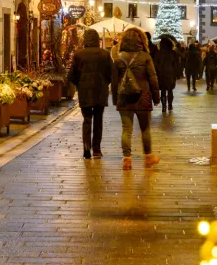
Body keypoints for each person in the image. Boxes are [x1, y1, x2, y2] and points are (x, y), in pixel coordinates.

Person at [111, 28, 161, 170]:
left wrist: (115, 99)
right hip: (143, 97)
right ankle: (149, 157)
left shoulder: (118, 58)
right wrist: (156, 98)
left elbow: (114, 82)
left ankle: (127, 159)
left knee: (126, 129)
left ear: (124, 40)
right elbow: (153, 79)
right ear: (141, 40)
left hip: (124, 98)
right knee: (145, 129)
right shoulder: (145, 57)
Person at [67, 29, 111, 159]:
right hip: (100, 91)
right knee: (98, 119)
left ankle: (86, 148)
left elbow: (72, 75)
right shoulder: (105, 54)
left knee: (87, 119)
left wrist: (79, 84)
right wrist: (105, 83)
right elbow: (111, 73)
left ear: (85, 39)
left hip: (85, 91)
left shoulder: (79, 55)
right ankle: (96, 149)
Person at [154, 36, 178, 112]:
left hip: (161, 74)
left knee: (163, 91)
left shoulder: (158, 53)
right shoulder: (172, 52)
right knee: (170, 90)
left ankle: (164, 107)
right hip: (170, 74)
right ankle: (170, 105)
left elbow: (155, 64)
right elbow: (176, 64)